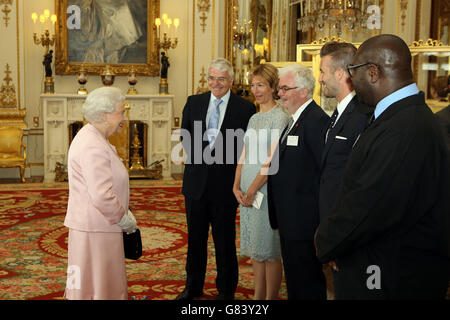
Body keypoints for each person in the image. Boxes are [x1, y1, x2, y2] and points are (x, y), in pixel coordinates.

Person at [315, 34, 450, 299]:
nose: (351, 80)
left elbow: (369, 205)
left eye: (354, 72)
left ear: (373, 72)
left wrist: (327, 241)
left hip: (389, 276)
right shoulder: (401, 117)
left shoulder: (405, 127)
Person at [177, 58, 256, 300]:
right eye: (212, 78)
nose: (216, 83)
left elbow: (246, 146)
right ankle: (193, 287)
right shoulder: (194, 102)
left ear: (231, 81)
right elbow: (185, 136)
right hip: (196, 184)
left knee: (224, 240)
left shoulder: (245, 108)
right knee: (196, 240)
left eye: (221, 79)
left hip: (226, 186)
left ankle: (226, 290)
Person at [64, 87, 137, 300]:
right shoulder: (92, 144)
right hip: (98, 230)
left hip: (94, 228)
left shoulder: (93, 137)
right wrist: (125, 220)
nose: (124, 118)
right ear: (105, 115)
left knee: (86, 286)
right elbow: (101, 195)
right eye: (121, 112)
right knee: (100, 290)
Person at [267, 64, 329, 299]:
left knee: (307, 283)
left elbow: (324, 174)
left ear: (304, 91)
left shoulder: (315, 121)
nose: (279, 93)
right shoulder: (295, 119)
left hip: (305, 223)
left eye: (284, 88)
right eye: (279, 88)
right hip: (290, 219)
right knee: (295, 281)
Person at [233, 64, 289, 300]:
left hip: (265, 191)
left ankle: (270, 298)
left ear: (273, 87)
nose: (255, 90)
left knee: (270, 250)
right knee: (256, 250)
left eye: (261, 85)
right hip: (247, 190)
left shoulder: (281, 117)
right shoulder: (254, 118)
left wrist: (253, 189)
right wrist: (236, 186)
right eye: (252, 85)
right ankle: (258, 297)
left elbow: (271, 161)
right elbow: (243, 155)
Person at [318, 42, 370, 221]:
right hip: (329, 215)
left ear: (339, 74)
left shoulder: (362, 114)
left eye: (323, 71)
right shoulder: (338, 112)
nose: (320, 79)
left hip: (344, 219)